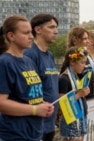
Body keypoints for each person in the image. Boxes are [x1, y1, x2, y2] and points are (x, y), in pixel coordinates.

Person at [0, 15, 54, 141]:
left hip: (34, 133)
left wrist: (41, 104)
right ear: (11, 36)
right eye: (26, 33)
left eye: (31, 32)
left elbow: (27, 96)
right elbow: (1, 103)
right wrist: (35, 109)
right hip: (14, 135)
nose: (31, 36)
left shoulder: (28, 61)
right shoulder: (5, 62)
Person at [24, 13, 59, 141]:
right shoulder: (29, 54)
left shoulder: (50, 55)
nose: (56, 31)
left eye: (56, 27)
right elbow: (27, 90)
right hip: (35, 123)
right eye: (51, 27)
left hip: (50, 122)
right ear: (38, 30)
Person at [59, 47, 90, 141]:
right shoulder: (64, 78)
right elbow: (62, 103)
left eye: (85, 63)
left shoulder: (75, 76)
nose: (84, 66)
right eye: (82, 63)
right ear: (72, 62)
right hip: (71, 121)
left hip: (79, 119)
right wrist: (79, 94)